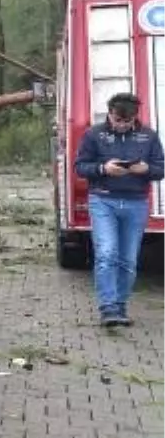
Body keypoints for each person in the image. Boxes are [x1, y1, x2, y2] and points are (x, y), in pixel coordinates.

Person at [73, 92, 165, 326]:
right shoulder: (94, 134)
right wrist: (103, 169)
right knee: (106, 253)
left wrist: (146, 169)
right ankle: (108, 307)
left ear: (136, 116)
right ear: (110, 113)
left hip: (136, 203)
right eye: (118, 120)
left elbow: (161, 168)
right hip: (103, 200)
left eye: (127, 121)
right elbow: (80, 167)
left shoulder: (149, 136)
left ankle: (121, 305)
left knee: (128, 260)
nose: (122, 125)